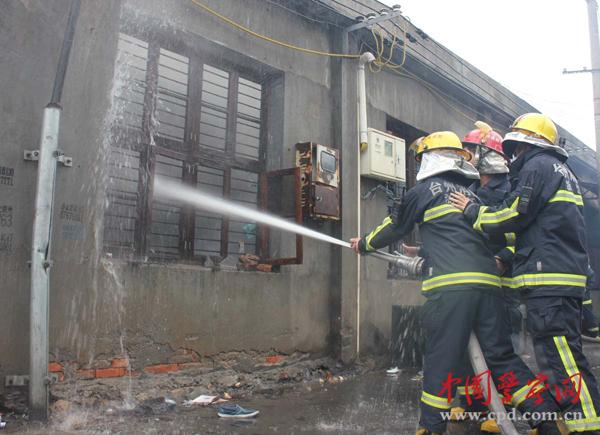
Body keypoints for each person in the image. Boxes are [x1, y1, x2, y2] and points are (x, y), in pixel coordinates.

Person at [351, 131, 561, 435]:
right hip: (489, 288)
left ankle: (431, 427)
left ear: (429, 159)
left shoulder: (423, 191)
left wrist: (364, 244)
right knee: (502, 358)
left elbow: (395, 226)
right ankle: (545, 418)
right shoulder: (473, 196)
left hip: (451, 290)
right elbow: (461, 239)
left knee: (441, 359)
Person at [450, 113, 600, 433]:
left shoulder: (538, 166)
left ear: (527, 143)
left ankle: (587, 427)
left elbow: (514, 214)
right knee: (558, 358)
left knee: (562, 360)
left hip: (549, 279)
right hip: (558, 277)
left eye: (517, 147)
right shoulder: (560, 169)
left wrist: (472, 211)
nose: (514, 155)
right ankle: (572, 423)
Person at [450, 121, 516, 434]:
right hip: (474, 280)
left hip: (501, 284)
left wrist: (504, 258)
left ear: (488, 155)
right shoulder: (473, 190)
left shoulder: (508, 191)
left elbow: (519, 234)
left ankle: (503, 407)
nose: (467, 157)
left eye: (471, 151)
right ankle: (471, 404)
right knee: (466, 344)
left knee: (497, 349)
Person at [583, 266, 599, 338]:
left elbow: (591, 277)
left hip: (584, 298)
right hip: (574, 296)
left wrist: (586, 289)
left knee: (589, 316)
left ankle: (594, 334)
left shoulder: (583, 263)